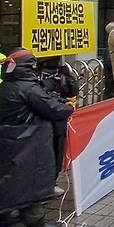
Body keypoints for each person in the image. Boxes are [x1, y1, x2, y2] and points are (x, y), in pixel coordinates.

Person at [0, 48, 74, 227]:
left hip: (11, 143)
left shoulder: (6, 87)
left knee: (13, 186)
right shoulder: (28, 88)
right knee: (31, 188)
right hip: (29, 144)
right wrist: (69, 107)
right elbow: (55, 109)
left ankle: (13, 218)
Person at [37, 57, 79, 197]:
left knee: (58, 151)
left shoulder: (61, 73)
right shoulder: (35, 76)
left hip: (59, 121)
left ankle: (52, 182)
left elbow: (73, 92)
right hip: (43, 122)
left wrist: (68, 77)